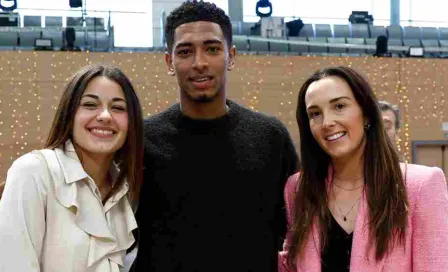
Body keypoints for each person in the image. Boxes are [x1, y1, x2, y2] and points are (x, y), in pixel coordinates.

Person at [131, 1, 299, 271]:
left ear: (231, 56)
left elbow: (299, 231)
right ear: (169, 61)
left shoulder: (271, 138)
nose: (199, 63)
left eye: (212, 49)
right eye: (185, 51)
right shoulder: (142, 141)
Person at [279, 66, 448, 271]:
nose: (327, 122)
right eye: (315, 114)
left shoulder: (420, 186)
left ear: (366, 114)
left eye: (339, 106)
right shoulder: (298, 189)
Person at [0, 64, 144, 271]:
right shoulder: (34, 172)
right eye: (90, 104)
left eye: (118, 108)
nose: (105, 116)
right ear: (69, 114)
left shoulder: (126, 193)